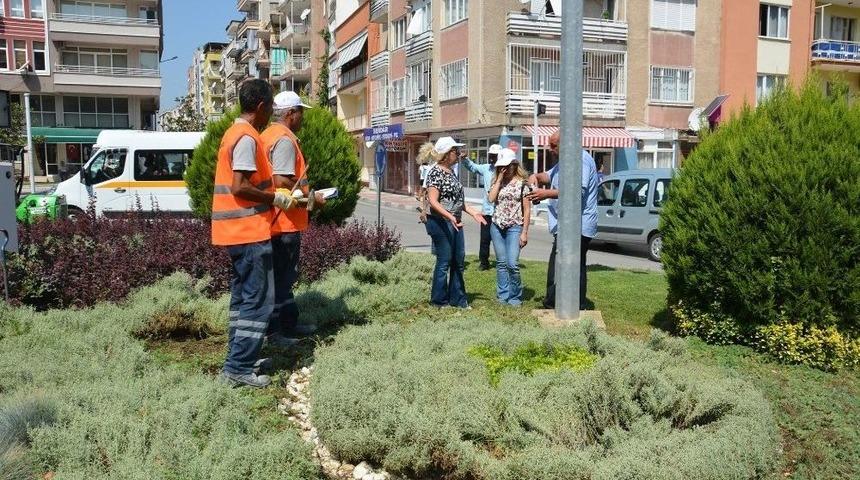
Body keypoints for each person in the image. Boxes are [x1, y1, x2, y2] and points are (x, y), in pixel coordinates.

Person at [211, 78, 293, 388]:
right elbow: (240, 186)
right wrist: (275, 197)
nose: (271, 113)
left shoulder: (235, 133)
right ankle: (238, 367)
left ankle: (240, 358)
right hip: (247, 230)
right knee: (258, 300)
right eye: (270, 107)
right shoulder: (245, 136)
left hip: (235, 231)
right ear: (260, 107)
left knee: (243, 300)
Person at [260, 91, 324, 345]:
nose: (303, 116)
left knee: (281, 280)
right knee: (282, 280)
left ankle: (288, 324)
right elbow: (282, 182)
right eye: (300, 111)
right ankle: (277, 334)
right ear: (290, 114)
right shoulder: (284, 139)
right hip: (284, 223)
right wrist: (313, 198)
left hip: (274, 221)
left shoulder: (267, 135)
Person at [526, 131, 599, 311]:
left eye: (553, 146)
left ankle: (569, 304)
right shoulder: (565, 161)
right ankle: (559, 302)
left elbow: (576, 192)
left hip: (578, 225)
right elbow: (548, 176)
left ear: (566, 144)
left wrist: (545, 194)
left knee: (572, 265)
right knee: (561, 263)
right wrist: (534, 178)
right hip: (566, 225)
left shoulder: (580, 159)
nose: (550, 149)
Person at [422, 136, 487, 308]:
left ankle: (458, 299)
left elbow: (458, 199)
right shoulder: (435, 172)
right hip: (439, 222)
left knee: (458, 259)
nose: (458, 154)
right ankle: (438, 301)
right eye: (455, 151)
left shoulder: (451, 172)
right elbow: (433, 201)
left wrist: (473, 212)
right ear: (446, 154)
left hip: (454, 222)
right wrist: (449, 216)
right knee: (445, 260)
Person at [487, 148, 531, 306]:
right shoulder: (496, 182)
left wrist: (524, 232)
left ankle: (515, 297)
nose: (505, 170)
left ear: (515, 165)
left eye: (508, 166)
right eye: (501, 167)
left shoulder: (523, 185)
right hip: (497, 226)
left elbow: (527, 209)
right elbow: (491, 199)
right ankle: (503, 296)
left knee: (512, 263)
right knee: (501, 263)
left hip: (515, 227)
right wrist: (498, 180)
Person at [464, 144, 501, 270]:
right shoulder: (486, 168)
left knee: (500, 239)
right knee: (485, 239)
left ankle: (502, 261)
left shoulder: (504, 171)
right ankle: (484, 262)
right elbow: (473, 168)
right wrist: (465, 159)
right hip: (487, 210)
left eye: (494, 156)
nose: (491, 158)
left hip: (500, 211)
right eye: (490, 155)